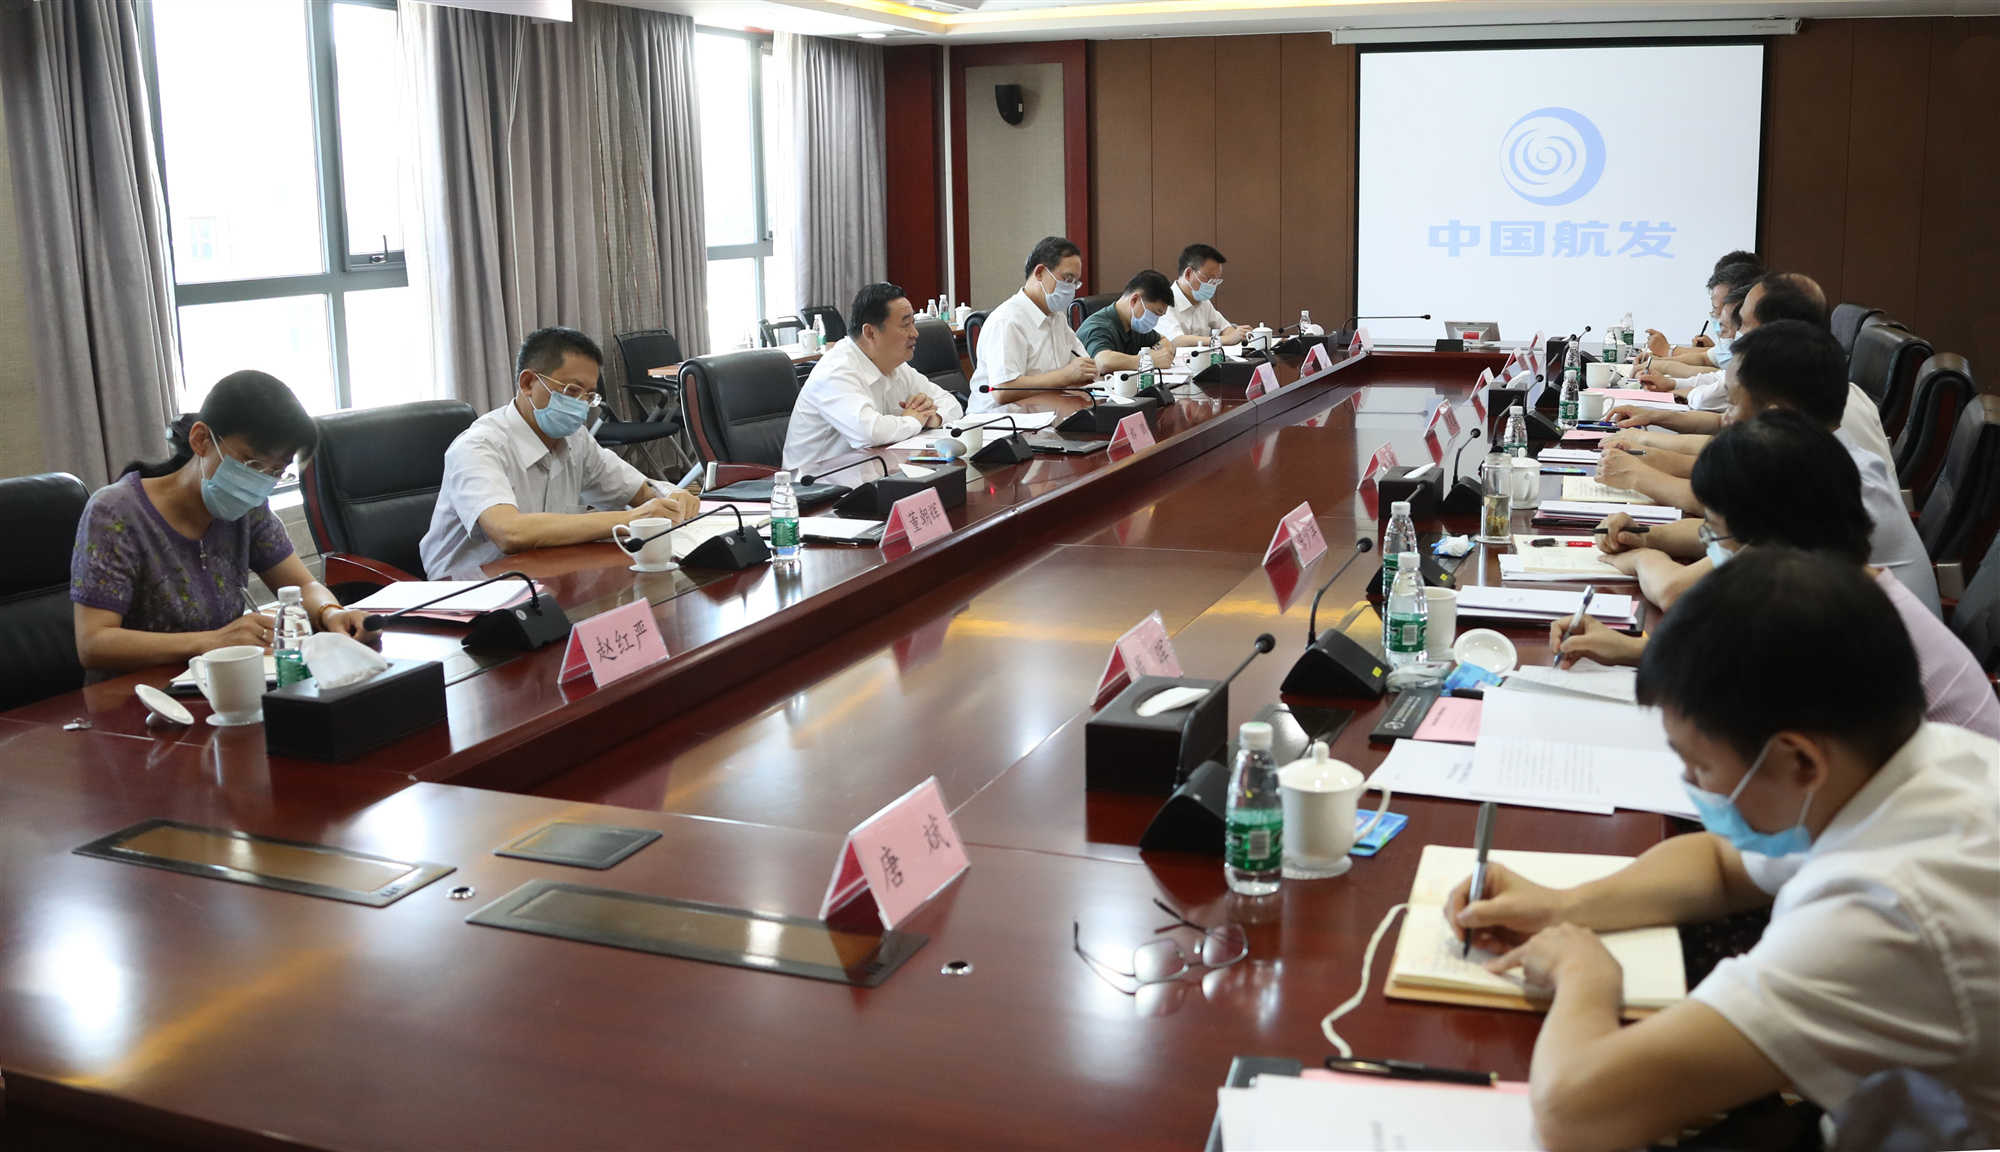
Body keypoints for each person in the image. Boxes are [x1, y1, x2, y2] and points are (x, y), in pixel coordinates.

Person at [1447, 549, 1999, 1149]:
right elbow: (1720, 864)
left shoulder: (1890, 910)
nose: (1692, 786)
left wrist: (1583, 973)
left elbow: (1573, 1114)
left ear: (1799, 760)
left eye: (1702, 766)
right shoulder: (1916, 760)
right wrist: (1564, 906)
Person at [1553, 409, 2000, 738]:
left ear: (1766, 540)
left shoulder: (1843, 627)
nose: (1714, 546)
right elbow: (1735, 660)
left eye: (1716, 533)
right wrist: (1633, 649)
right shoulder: (1836, 585)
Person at [1595, 320, 1941, 614]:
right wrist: (1641, 536)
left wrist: (1638, 559)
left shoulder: (1824, 489)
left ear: (1775, 418)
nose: (1723, 420)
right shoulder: (1828, 458)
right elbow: (1728, 534)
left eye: (1732, 404)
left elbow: (1677, 592)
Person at [70, 371, 376, 680]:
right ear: (200, 439)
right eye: (252, 463)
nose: (260, 480)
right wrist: (213, 641)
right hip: (137, 695)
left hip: (223, 683)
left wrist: (331, 613)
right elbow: (93, 643)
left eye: (276, 471)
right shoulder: (115, 513)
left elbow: (303, 586)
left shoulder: (248, 509)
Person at [421, 327, 699, 579]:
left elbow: (640, 490)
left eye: (589, 396)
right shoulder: (479, 446)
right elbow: (509, 532)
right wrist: (630, 520)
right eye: (571, 390)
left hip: (545, 580)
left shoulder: (576, 439)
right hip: (464, 594)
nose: (582, 405)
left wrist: (671, 494)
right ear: (528, 383)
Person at [782, 283, 965, 471]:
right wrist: (915, 420)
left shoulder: (894, 364)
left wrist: (932, 417)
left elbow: (952, 404)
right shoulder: (836, 371)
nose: (915, 333)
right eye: (905, 325)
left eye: (913, 323)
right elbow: (869, 433)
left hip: (871, 473)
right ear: (870, 333)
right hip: (817, 483)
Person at [965, 236, 1099, 413]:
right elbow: (1003, 390)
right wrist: (1064, 376)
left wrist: (1086, 372)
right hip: (1002, 423)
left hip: (1049, 417)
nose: (1071, 288)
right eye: (1067, 279)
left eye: (1075, 282)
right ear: (1040, 273)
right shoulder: (1008, 320)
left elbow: (1080, 365)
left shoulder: (1056, 317)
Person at [1076, 269, 1175, 373]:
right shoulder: (1099, 326)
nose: (1155, 320)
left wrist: (1155, 351)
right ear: (1135, 300)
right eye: (1155, 313)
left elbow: (1163, 340)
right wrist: (1148, 360)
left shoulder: (1134, 325)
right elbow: (1103, 362)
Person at [1154, 243, 1245, 347]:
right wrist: (1225, 340)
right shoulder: (1164, 302)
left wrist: (1237, 335)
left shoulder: (1203, 301)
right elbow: (1177, 341)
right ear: (1188, 274)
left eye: (1216, 280)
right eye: (1209, 279)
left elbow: (1225, 328)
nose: (1212, 285)